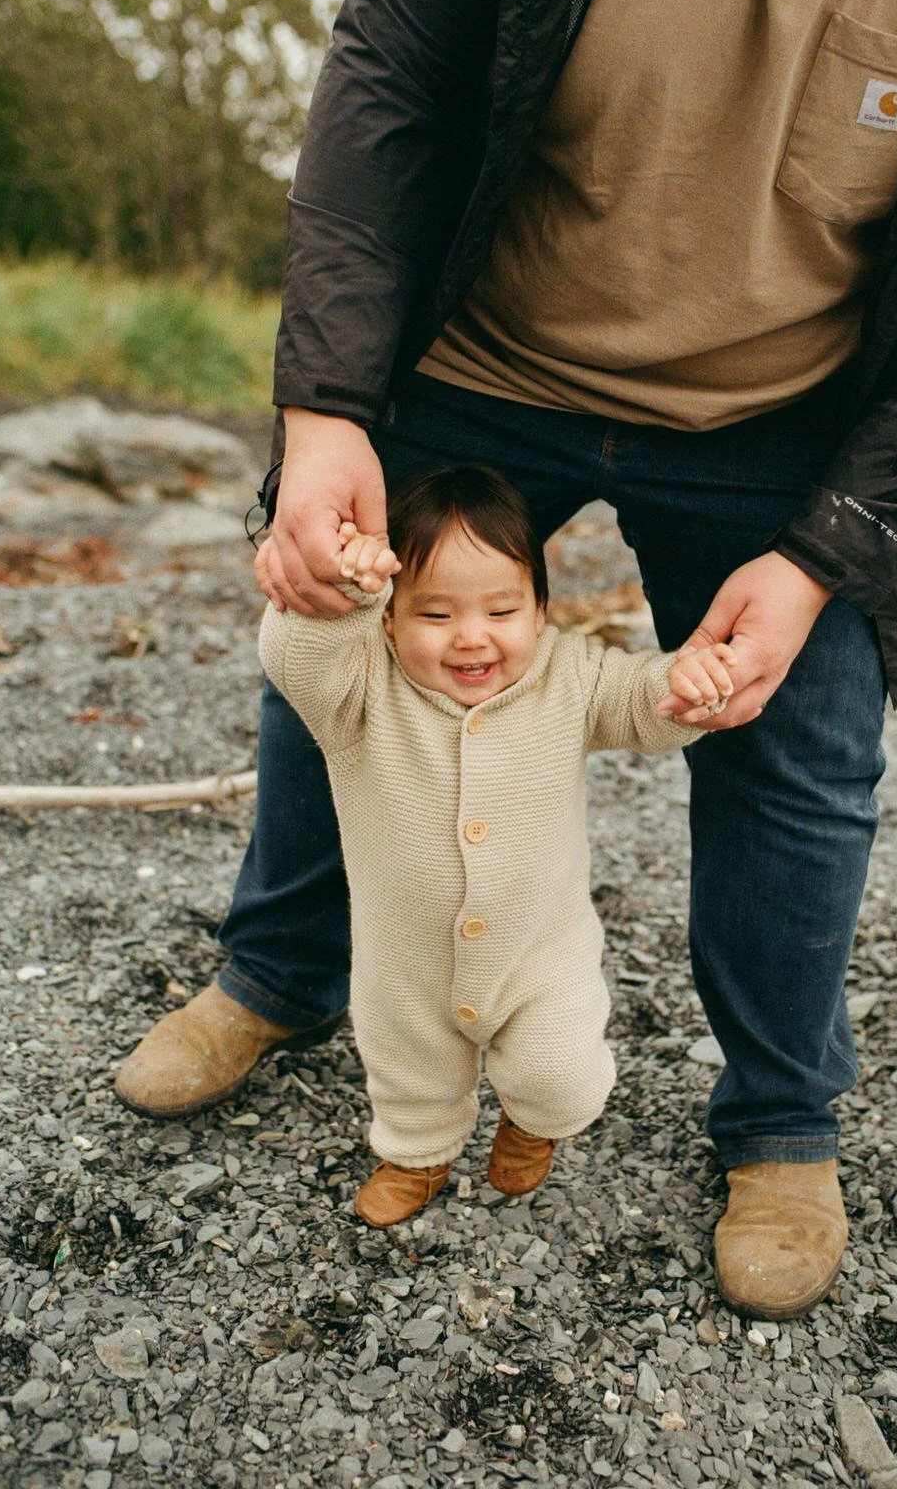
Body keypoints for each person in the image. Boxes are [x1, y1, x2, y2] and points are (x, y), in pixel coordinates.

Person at [115, 0, 897, 1319]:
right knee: (355, 655)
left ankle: (784, 1122)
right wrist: (327, 411)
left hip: (790, 406)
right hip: (484, 345)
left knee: (802, 746)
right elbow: (386, 89)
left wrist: (821, 554)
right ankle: (280, 974)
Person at [256, 463, 734, 1227]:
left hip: (539, 951)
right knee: (410, 1075)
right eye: (434, 615)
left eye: (502, 609)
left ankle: (531, 1124)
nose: (471, 637)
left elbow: (643, 701)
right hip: (403, 960)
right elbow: (294, 659)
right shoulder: (360, 697)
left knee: (560, 1072)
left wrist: (690, 682)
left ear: (540, 611)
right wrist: (341, 598)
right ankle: (417, 1157)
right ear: (387, 620)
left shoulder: (568, 677)